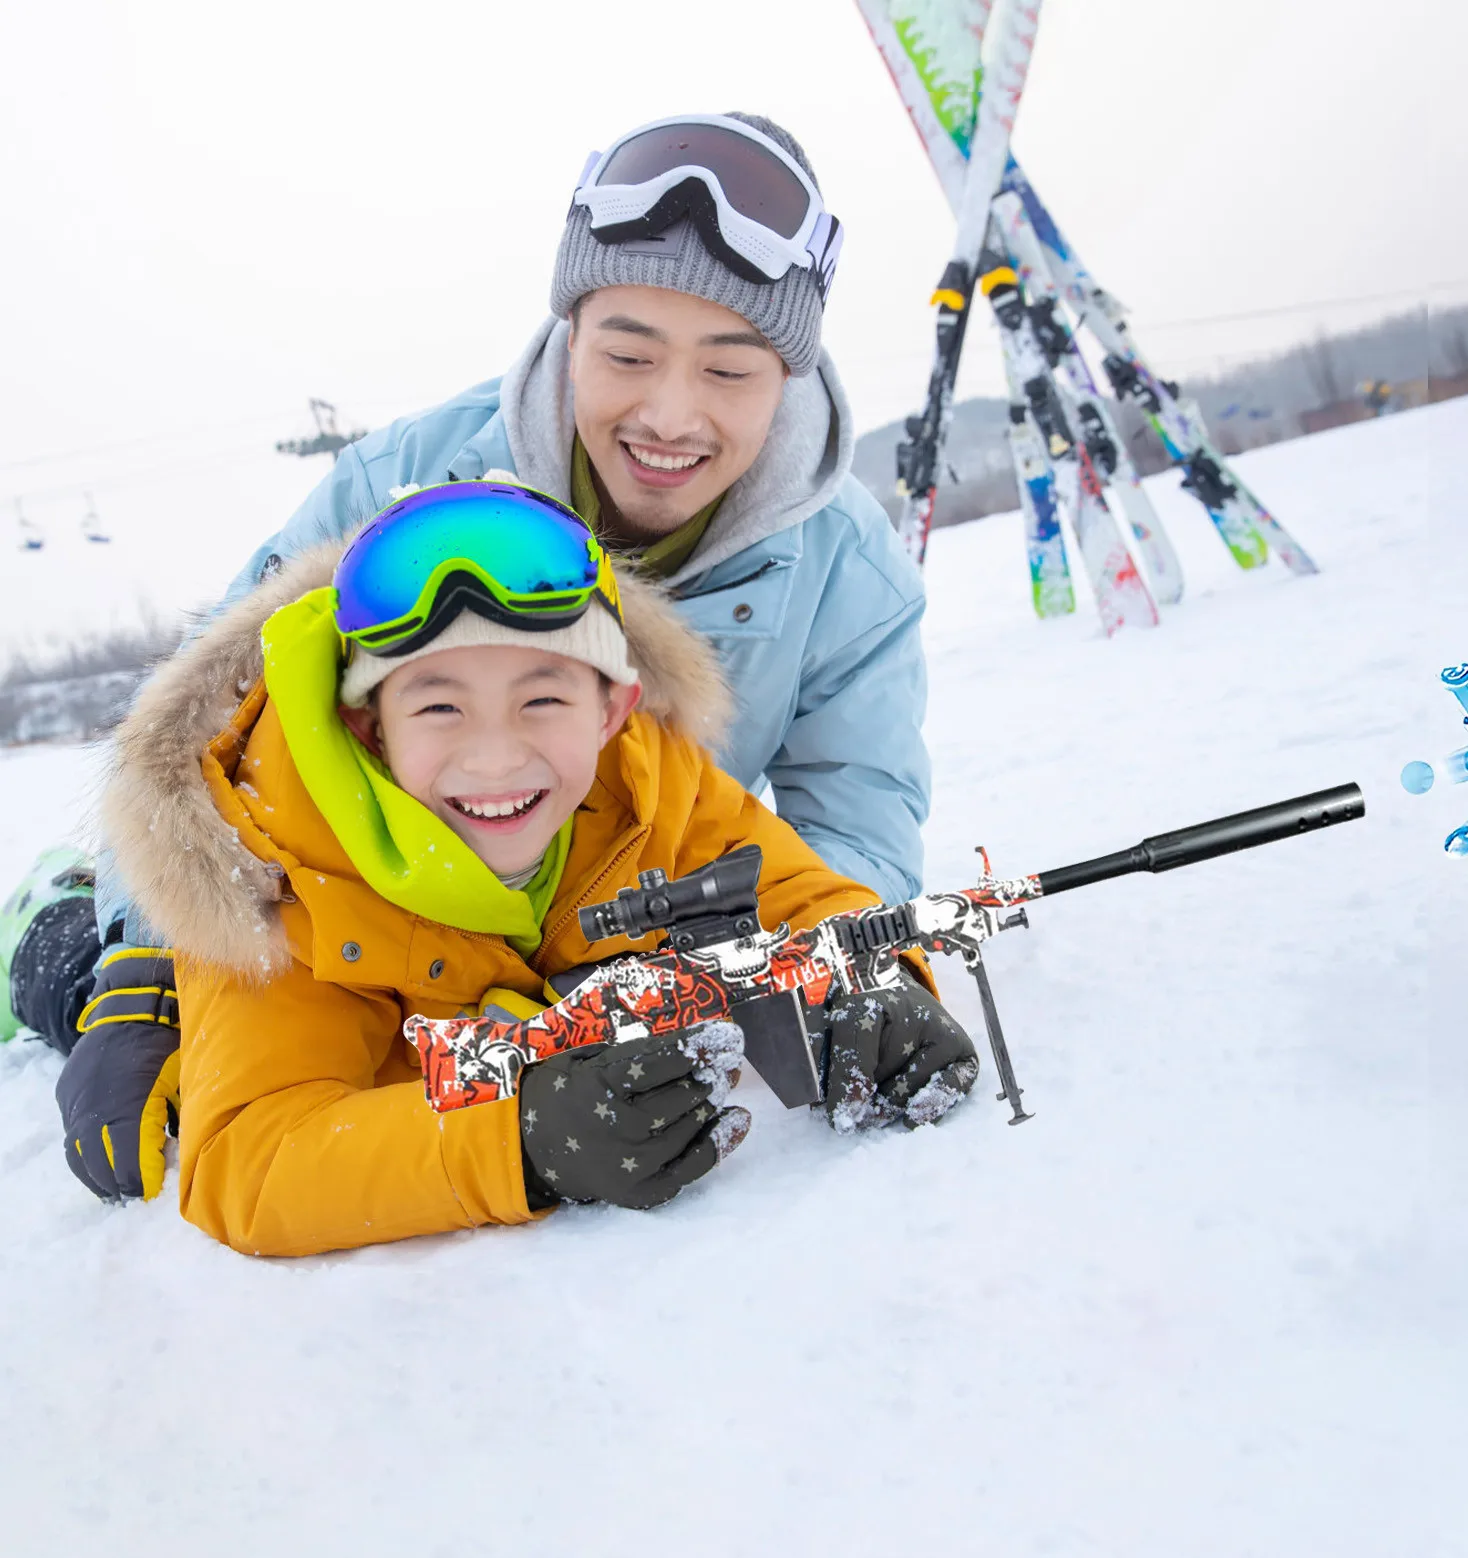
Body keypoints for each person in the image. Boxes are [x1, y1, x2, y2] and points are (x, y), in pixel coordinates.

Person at [33, 110, 937, 1204]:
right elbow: (202, 738)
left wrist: (833, 978)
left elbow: (854, 829)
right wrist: (137, 966)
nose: (670, 414)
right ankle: (55, 927)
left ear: (790, 374)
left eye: (730, 371)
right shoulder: (399, 489)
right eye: (627, 355)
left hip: (606, 907)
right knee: (168, 1026)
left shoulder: (848, 573)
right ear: (570, 334)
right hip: (372, 921)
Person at [75, 480, 976, 1254]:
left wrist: (873, 976)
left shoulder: (650, 776)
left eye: (542, 698)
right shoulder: (277, 857)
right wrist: (521, 1141)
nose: (497, 758)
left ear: (613, 710)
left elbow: (794, 889)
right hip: (184, 984)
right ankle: (53, 914)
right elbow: (251, 1160)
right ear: (369, 727)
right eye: (440, 708)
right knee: (74, 987)